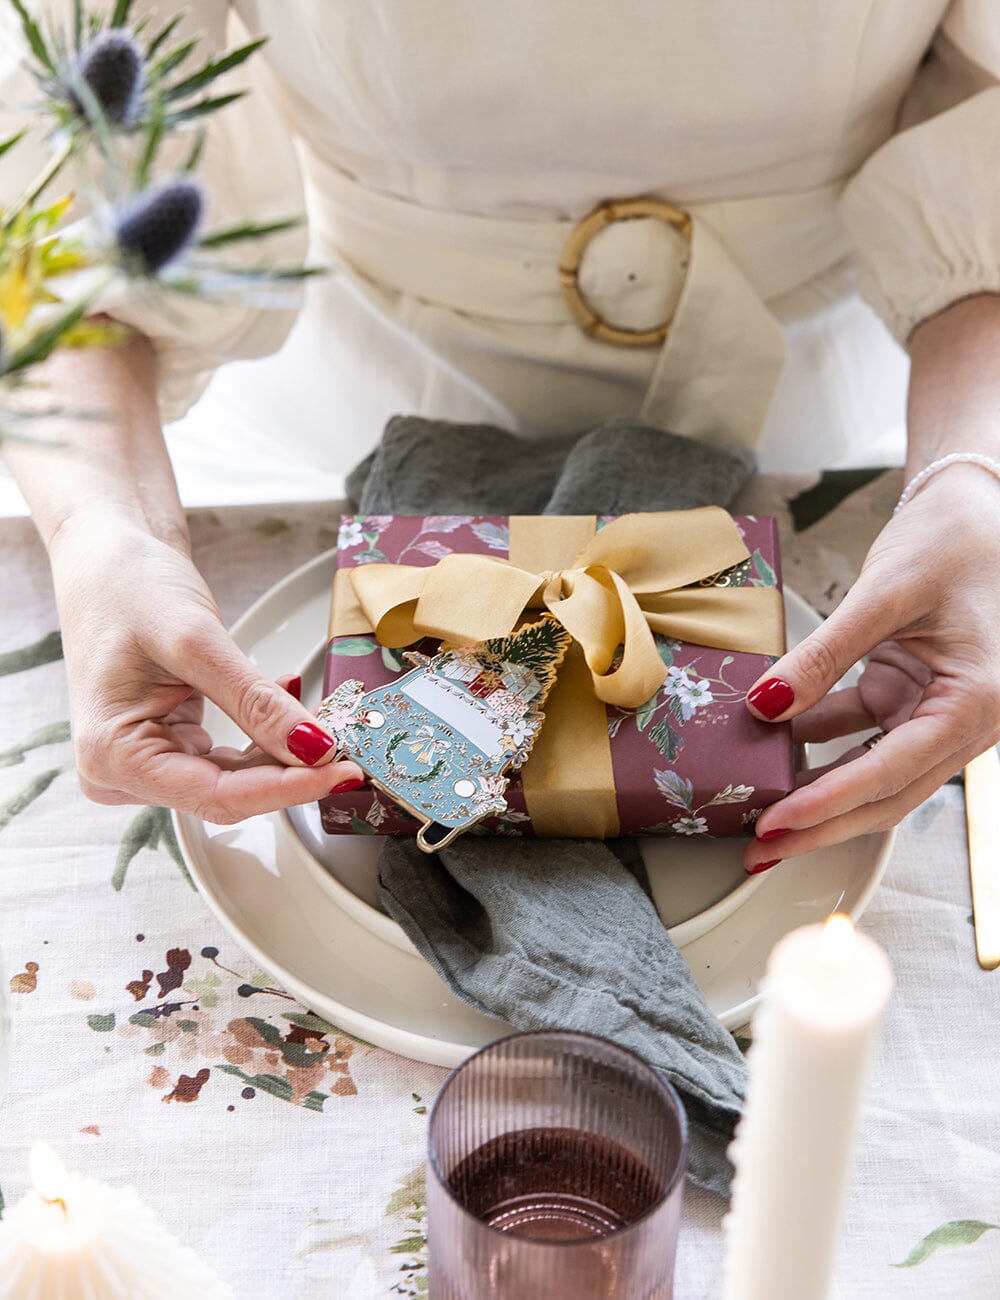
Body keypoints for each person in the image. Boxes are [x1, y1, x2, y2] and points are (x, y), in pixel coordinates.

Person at [2, 1, 999, 876]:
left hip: (844, 382)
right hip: (373, 382)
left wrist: (971, 477)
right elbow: (63, 199)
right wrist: (108, 531)